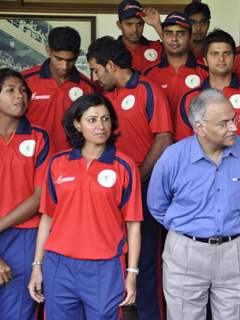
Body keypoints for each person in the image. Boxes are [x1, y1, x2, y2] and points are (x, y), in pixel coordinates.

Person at [27, 93, 142, 320]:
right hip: (59, 264)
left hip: (105, 266)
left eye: (106, 119)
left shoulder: (124, 165)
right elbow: (47, 219)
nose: (101, 126)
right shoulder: (58, 163)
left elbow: (134, 225)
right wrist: (37, 265)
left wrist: (132, 273)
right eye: (92, 119)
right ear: (77, 124)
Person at [147, 89, 240, 320]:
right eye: (224, 123)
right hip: (186, 251)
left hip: (234, 250)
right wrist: (186, 226)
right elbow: (156, 204)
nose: (234, 128)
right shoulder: (173, 157)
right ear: (200, 127)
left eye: (234, 119)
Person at [87, 36, 172, 320]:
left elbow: (163, 139)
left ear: (111, 65)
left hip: (144, 186)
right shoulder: (102, 98)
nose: (94, 77)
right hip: (108, 189)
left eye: (96, 70)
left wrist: (138, 177)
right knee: (113, 254)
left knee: (146, 259)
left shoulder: (148, 90)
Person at [176, 29, 240, 219]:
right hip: (201, 182)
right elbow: (183, 147)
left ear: (234, 58)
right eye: (214, 54)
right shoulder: (190, 99)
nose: (221, 59)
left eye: (226, 53)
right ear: (204, 60)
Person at [0, 68, 50, 320]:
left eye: (23, 91)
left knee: (18, 312)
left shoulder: (39, 137)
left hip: (25, 236)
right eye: (10, 90)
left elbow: (40, 195)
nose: (20, 96)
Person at [22, 26, 95, 153]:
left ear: (77, 54)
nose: (64, 66)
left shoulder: (88, 88)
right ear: (48, 51)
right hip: (31, 157)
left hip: (71, 161)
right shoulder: (24, 82)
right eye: (59, 59)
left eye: (71, 60)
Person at [143, 12, 208, 119]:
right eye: (169, 33)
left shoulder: (205, 72)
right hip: (159, 135)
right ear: (163, 36)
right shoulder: (148, 73)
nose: (174, 38)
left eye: (180, 33)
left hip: (195, 135)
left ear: (190, 37)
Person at [117, 0, 164, 73]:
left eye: (139, 24)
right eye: (129, 24)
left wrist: (157, 25)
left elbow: (180, 53)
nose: (135, 29)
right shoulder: (110, 51)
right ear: (119, 25)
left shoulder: (157, 47)